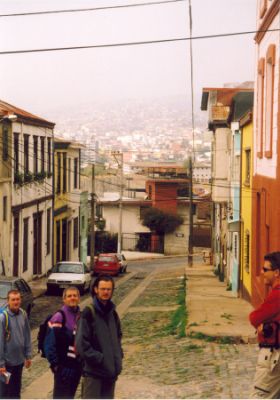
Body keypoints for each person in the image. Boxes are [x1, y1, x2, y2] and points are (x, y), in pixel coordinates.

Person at [76, 275, 123, 399]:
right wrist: (100, 359)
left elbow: (118, 338)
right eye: (103, 289)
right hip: (94, 374)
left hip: (110, 373)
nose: (106, 292)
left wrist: (117, 357)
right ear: (96, 289)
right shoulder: (88, 313)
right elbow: (81, 344)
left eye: (109, 289)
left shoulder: (113, 313)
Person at [249, 251, 280, 399]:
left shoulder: (277, 294)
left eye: (265, 269)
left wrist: (263, 324)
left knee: (260, 396)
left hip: (274, 355)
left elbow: (255, 317)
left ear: (277, 273)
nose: (261, 272)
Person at [44, 286, 82, 399]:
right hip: (63, 368)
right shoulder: (59, 317)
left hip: (76, 367)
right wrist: (56, 365)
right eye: (69, 296)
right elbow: (49, 344)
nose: (72, 298)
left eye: (75, 295)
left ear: (79, 298)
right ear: (64, 299)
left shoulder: (80, 315)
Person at [0, 289, 32, 399]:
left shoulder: (23, 314)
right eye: (13, 300)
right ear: (8, 301)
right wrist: (1, 364)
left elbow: (27, 335)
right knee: (5, 392)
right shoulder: (3, 318)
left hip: (19, 362)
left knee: (16, 391)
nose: (16, 302)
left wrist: (28, 355)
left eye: (18, 299)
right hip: (7, 365)